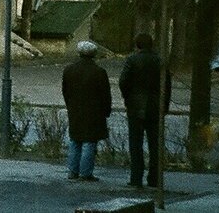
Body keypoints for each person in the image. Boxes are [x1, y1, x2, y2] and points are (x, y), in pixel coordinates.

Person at [119, 33, 170, 188]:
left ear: (137, 45)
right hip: (155, 107)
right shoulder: (160, 61)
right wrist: (164, 106)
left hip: (135, 107)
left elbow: (123, 81)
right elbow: (167, 86)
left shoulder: (132, 60)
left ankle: (136, 178)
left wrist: (128, 98)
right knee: (155, 145)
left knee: (136, 144)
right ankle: (154, 178)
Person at [62, 40, 111, 181]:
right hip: (94, 111)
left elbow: (65, 91)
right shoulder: (99, 72)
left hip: (75, 109)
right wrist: (106, 110)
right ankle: (86, 173)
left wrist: (70, 105)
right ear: (94, 55)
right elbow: (105, 94)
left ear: (79, 53)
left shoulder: (69, 70)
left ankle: (72, 171)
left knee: (75, 140)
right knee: (89, 141)